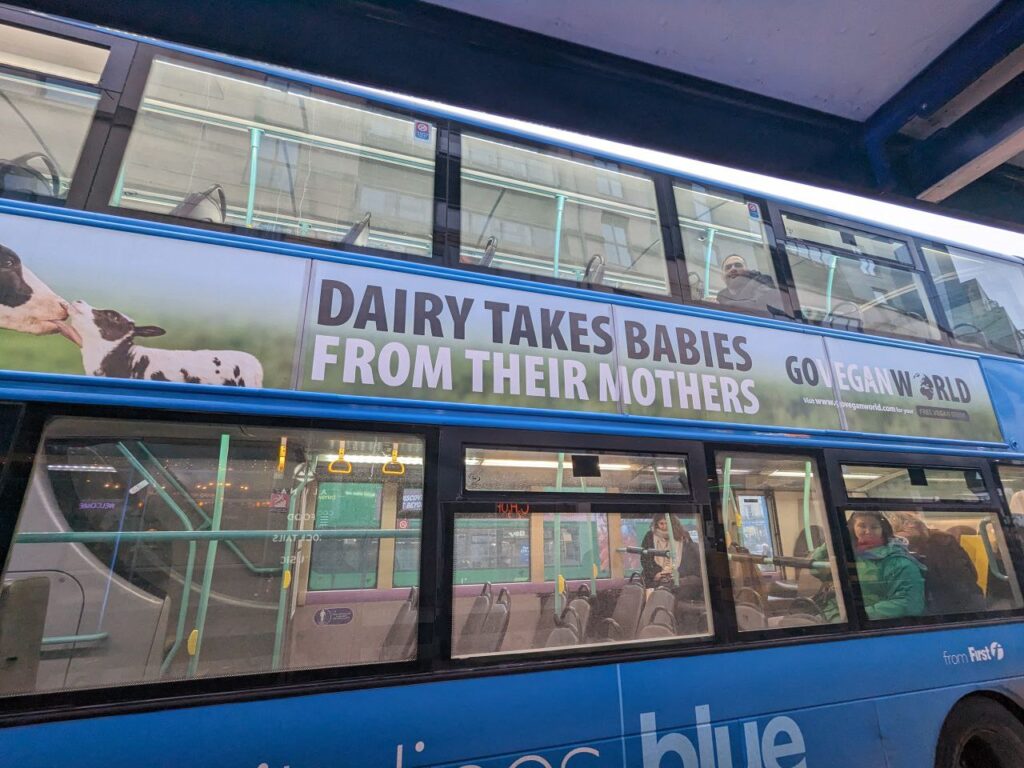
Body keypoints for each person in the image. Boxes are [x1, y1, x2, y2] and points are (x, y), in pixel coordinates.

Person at [813, 512, 925, 621]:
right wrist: (834, 540)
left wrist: (857, 616)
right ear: (852, 529)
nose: (868, 531)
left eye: (874, 527)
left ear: (883, 531)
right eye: (862, 526)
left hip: (863, 625)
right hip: (829, 614)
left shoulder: (898, 561)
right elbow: (816, 569)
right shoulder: (848, 554)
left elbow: (908, 604)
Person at [887, 512, 984, 614]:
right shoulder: (944, 539)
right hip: (963, 599)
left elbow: (951, 579)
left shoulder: (939, 542)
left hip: (952, 604)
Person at [640, 512, 700, 589]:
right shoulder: (650, 536)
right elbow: (645, 558)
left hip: (678, 576)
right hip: (655, 576)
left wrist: (677, 574)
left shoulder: (683, 535)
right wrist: (655, 574)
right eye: (661, 523)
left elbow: (690, 559)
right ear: (656, 524)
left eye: (667, 523)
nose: (664, 526)